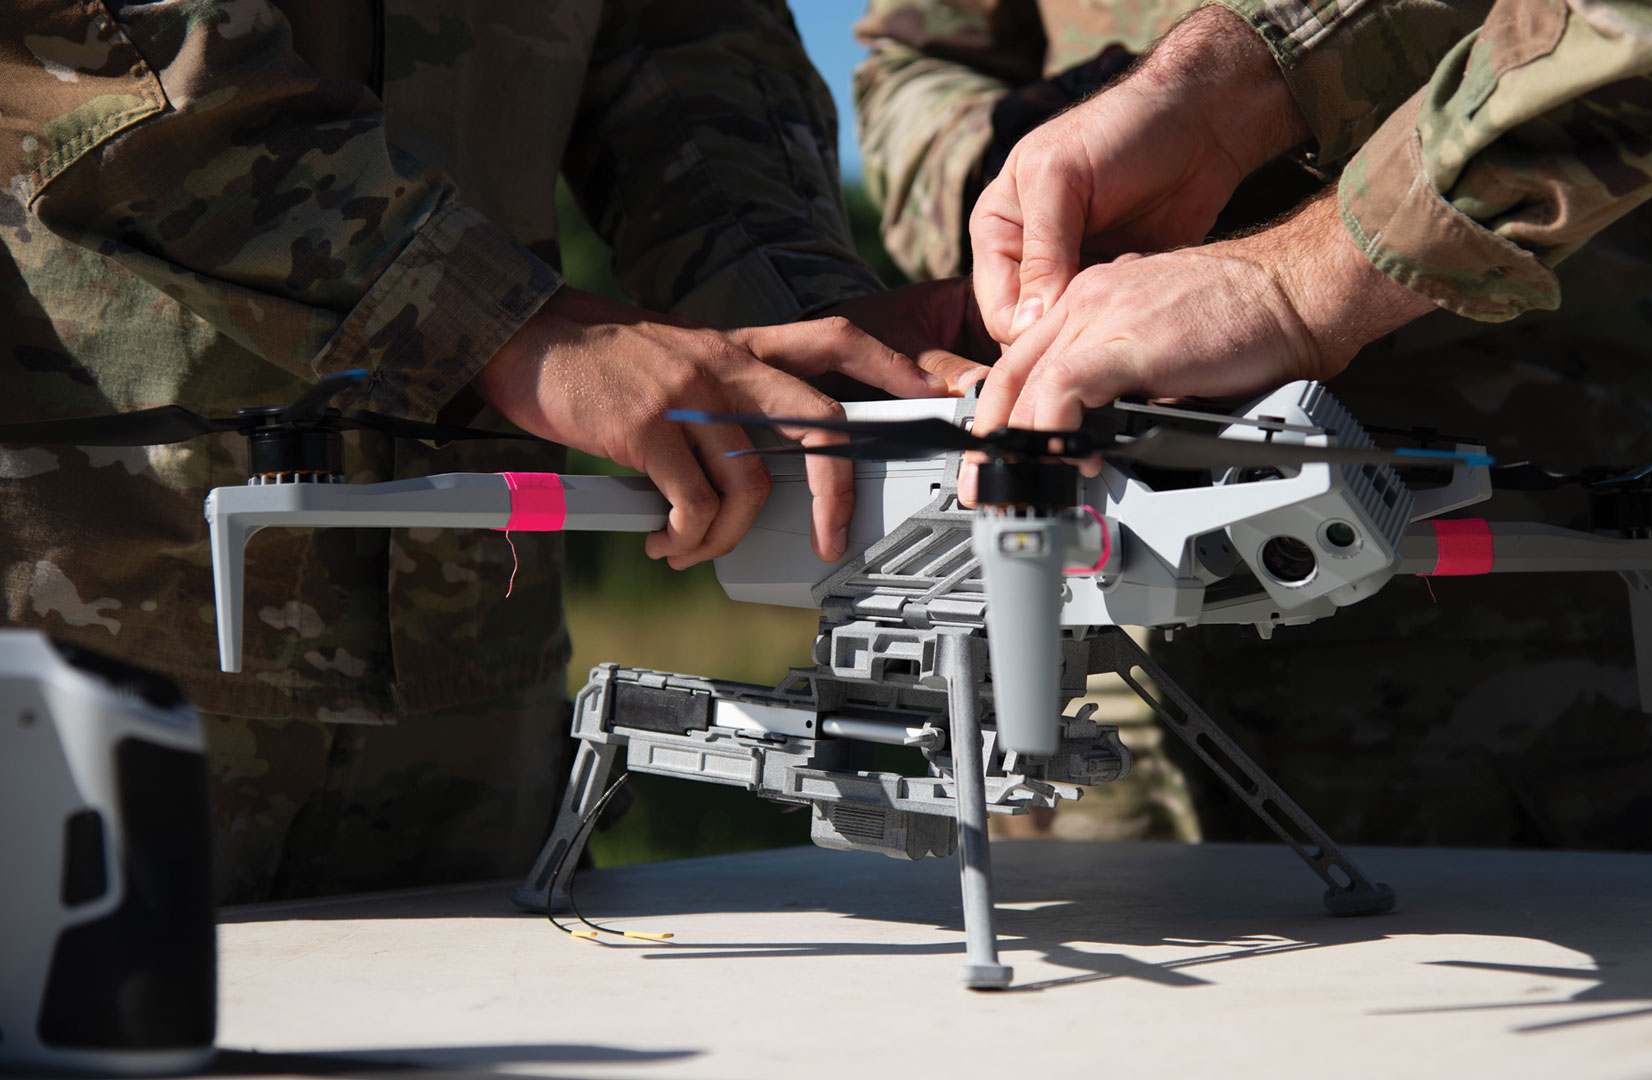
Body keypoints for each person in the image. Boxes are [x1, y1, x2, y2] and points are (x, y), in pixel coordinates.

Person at [855, 0, 1652, 847]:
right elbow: (910, 64)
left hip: (1508, 612)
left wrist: (1317, 242)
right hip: (1087, 614)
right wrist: (1047, 185)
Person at [0, 0, 987, 903]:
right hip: (94, 620)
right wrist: (504, 326)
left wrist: (796, 327)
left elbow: (684, 46)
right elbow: (108, 36)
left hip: (474, 664)